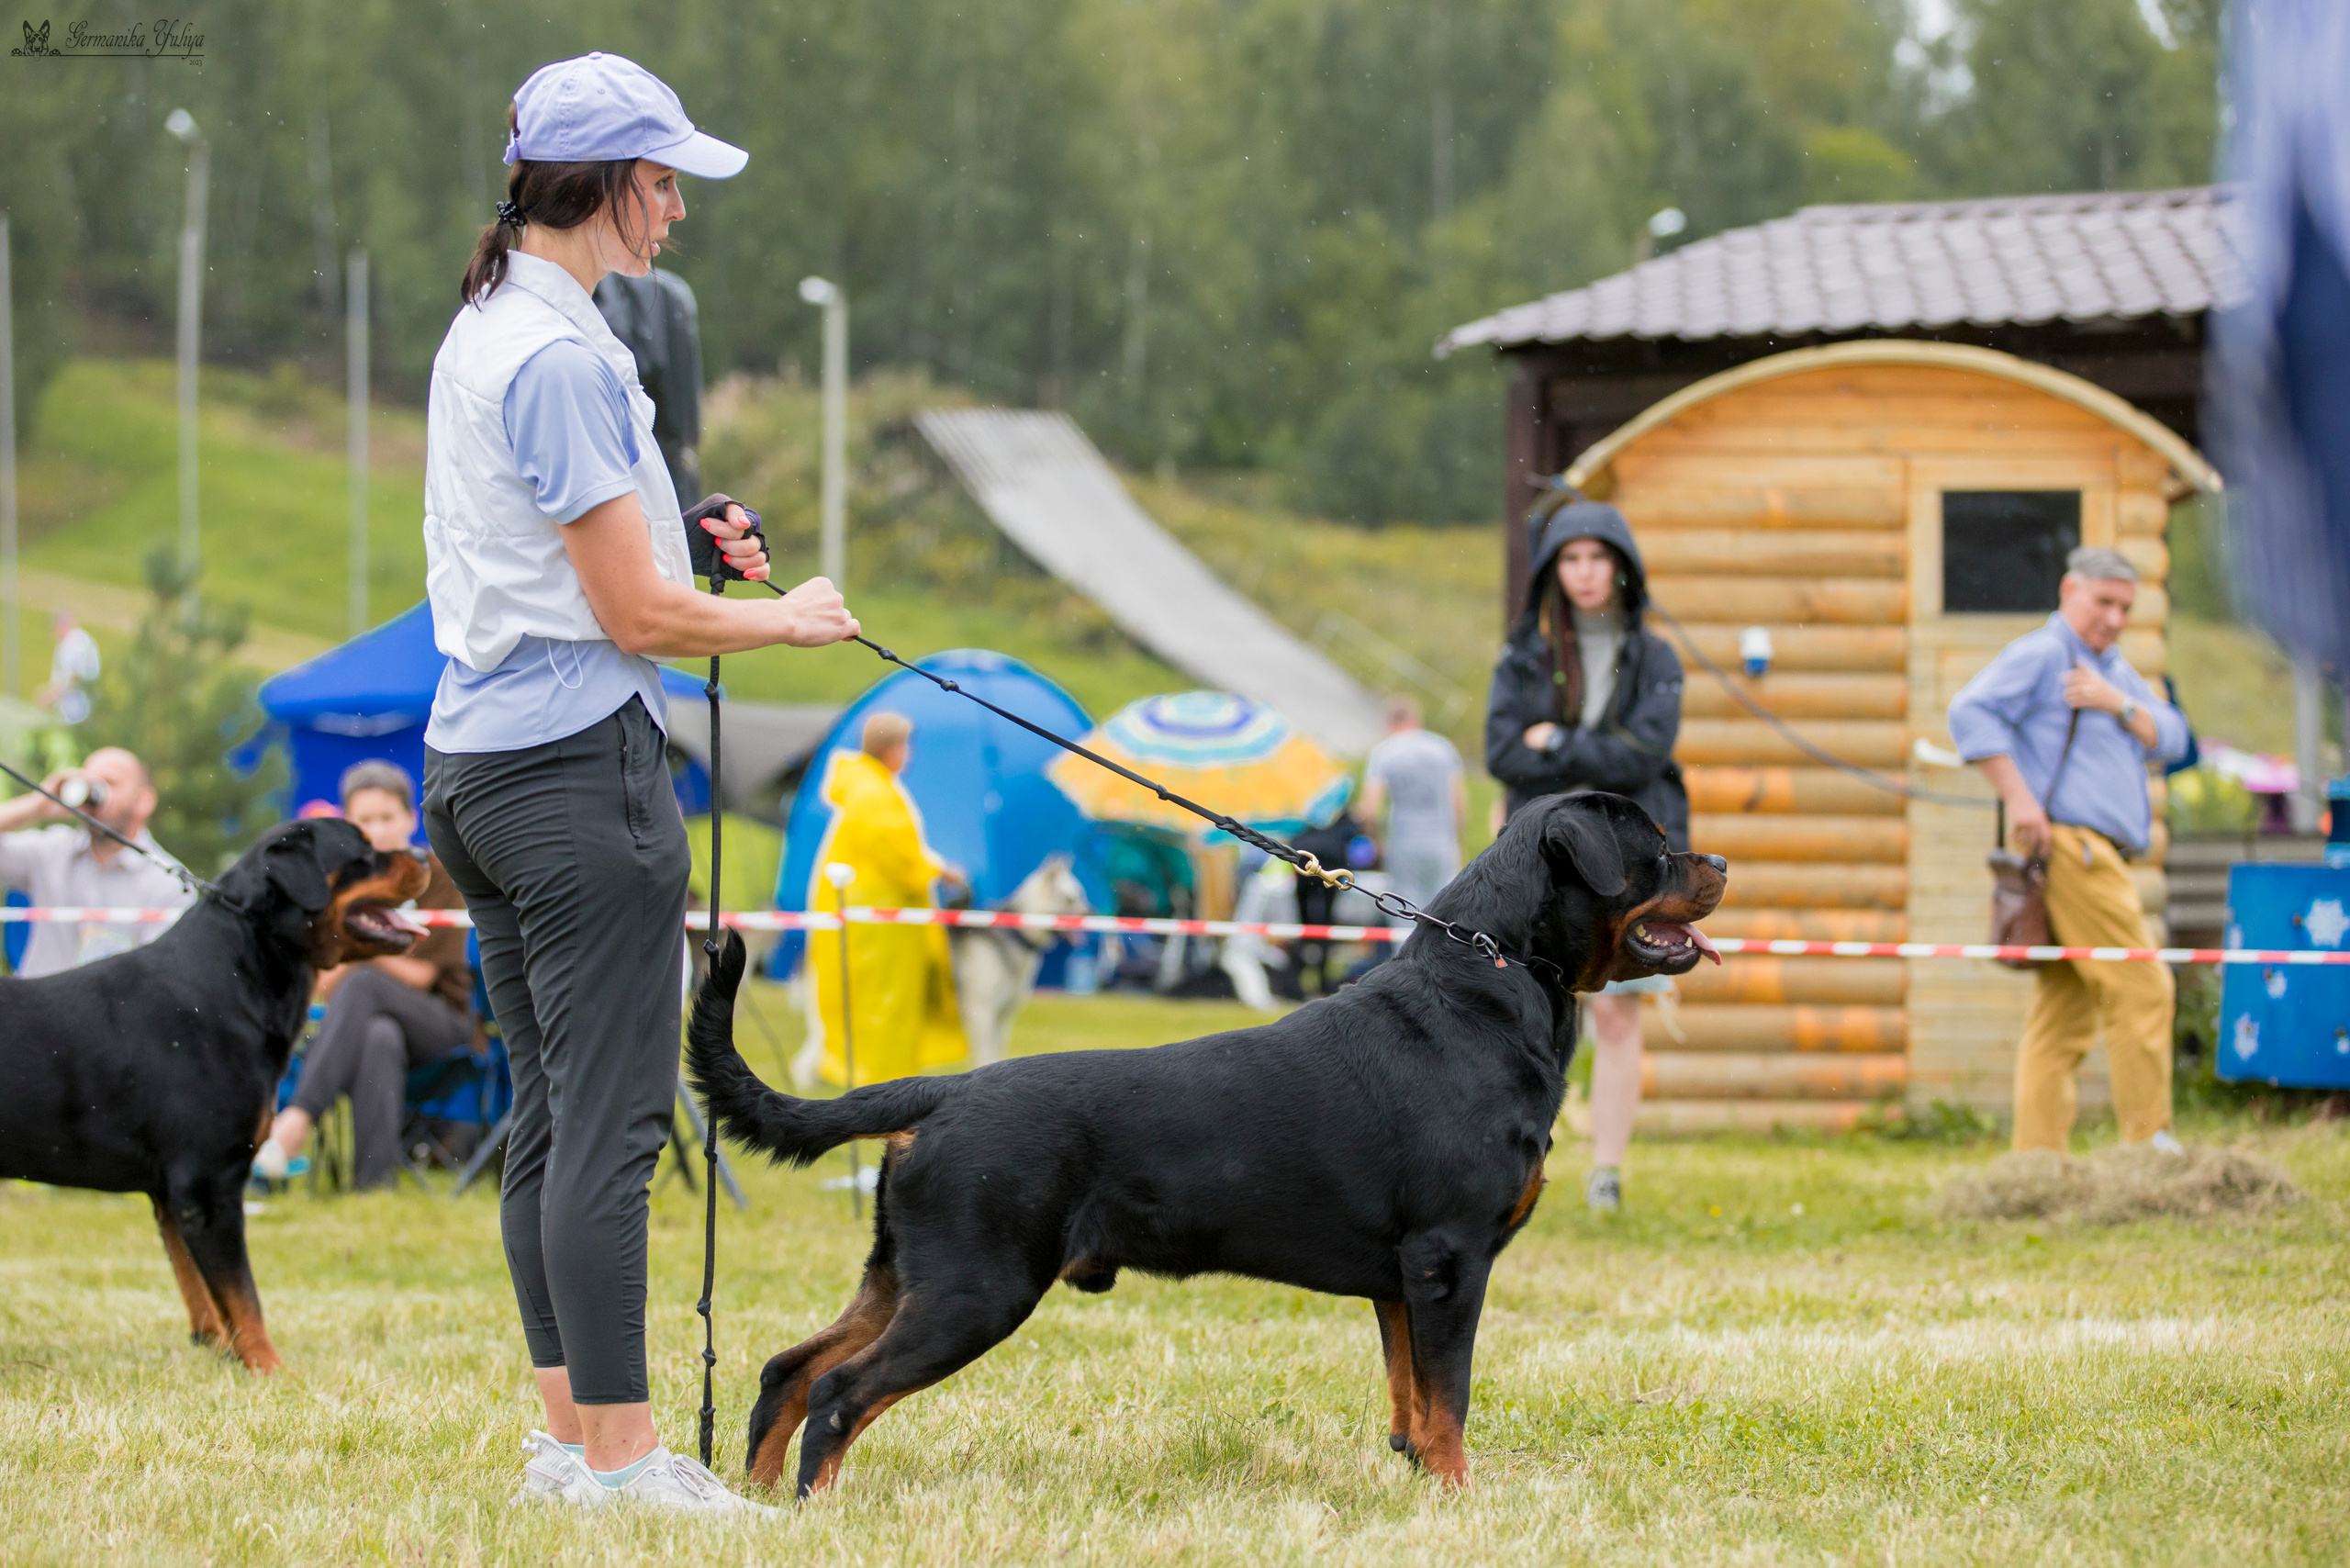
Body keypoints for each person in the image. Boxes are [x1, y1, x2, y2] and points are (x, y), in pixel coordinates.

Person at [419, 51, 856, 1514]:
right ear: (601, 187)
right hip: (571, 777)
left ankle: (568, 1445)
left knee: (551, 1117)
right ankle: (619, 1460)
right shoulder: (556, 356)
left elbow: (567, 536)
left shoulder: (495, 327)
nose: (676, 207)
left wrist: (681, 514)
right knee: (612, 1127)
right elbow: (636, 619)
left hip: (476, 770)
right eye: (663, 180)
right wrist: (786, 620)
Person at [1947, 546, 2189, 1155]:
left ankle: (2035, 1161)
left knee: (2066, 1012)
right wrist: (2020, 801)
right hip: (2073, 849)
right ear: (2068, 591)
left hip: (2093, 851)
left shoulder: (2111, 670)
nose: (2113, 617)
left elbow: (2177, 738)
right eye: (2102, 601)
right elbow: (1968, 712)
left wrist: (2120, 704)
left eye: (2125, 607)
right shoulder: (2045, 653)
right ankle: (2149, 1145)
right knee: (2144, 987)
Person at [1484, 497, 1687, 1214]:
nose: (1585, 572)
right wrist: (1573, 755)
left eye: (1599, 557)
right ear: (1552, 570)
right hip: (1539, 864)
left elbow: (1643, 758)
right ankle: (1518, 1158)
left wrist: (1557, 746)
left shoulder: (1655, 657)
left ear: (1622, 567)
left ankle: (1606, 1171)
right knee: (1524, 1009)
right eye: (1571, 558)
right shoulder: (1524, 655)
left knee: (1617, 1016)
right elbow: (1501, 750)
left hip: (1629, 866)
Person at [254, 763, 473, 1190]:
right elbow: (323, 982)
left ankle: (294, 1123)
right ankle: (373, 1185)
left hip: (442, 1023)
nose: (378, 830)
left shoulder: (439, 875)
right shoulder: (341, 887)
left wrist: (363, 953)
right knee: (378, 1036)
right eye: (364, 820)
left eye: (387, 818)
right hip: (361, 1025)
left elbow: (422, 975)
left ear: (411, 818)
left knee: (365, 982)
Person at [796, 712, 969, 1087]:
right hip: (876, 923)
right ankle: (879, 1086)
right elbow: (897, 855)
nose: (909, 755)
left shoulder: (873, 786)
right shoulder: (872, 792)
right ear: (888, 748)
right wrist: (939, 869)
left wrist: (932, 867)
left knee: (878, 1004)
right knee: (881, 1005)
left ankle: (879, 1082)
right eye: (905, 746)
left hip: (876, 918)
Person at [0, 746, 193, 975]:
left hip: (111, 1011)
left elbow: (160, 981)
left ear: (144, 800)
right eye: (88, 782)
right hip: (35, 1008)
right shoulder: (50, 850)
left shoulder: (170, 884)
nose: (95, 792)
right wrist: (37, 804)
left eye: (110, 782)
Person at [1359, 695, 1466, 910]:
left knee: (1405, 913)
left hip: (1403, 843)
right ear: (1417, 720)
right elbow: (1458, 802)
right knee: (1442, 914)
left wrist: (1375, 842)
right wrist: (1457, 839)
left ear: (1390, 723)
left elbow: (1369, 809)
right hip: (1441, 842)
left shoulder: (1384, 752)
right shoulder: (1442, 747)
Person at [38, 612, 101, 725]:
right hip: (78, 709)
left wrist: (52, 695)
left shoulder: (74, 643)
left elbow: (76, 677)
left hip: (76, 711)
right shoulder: (78, 640)